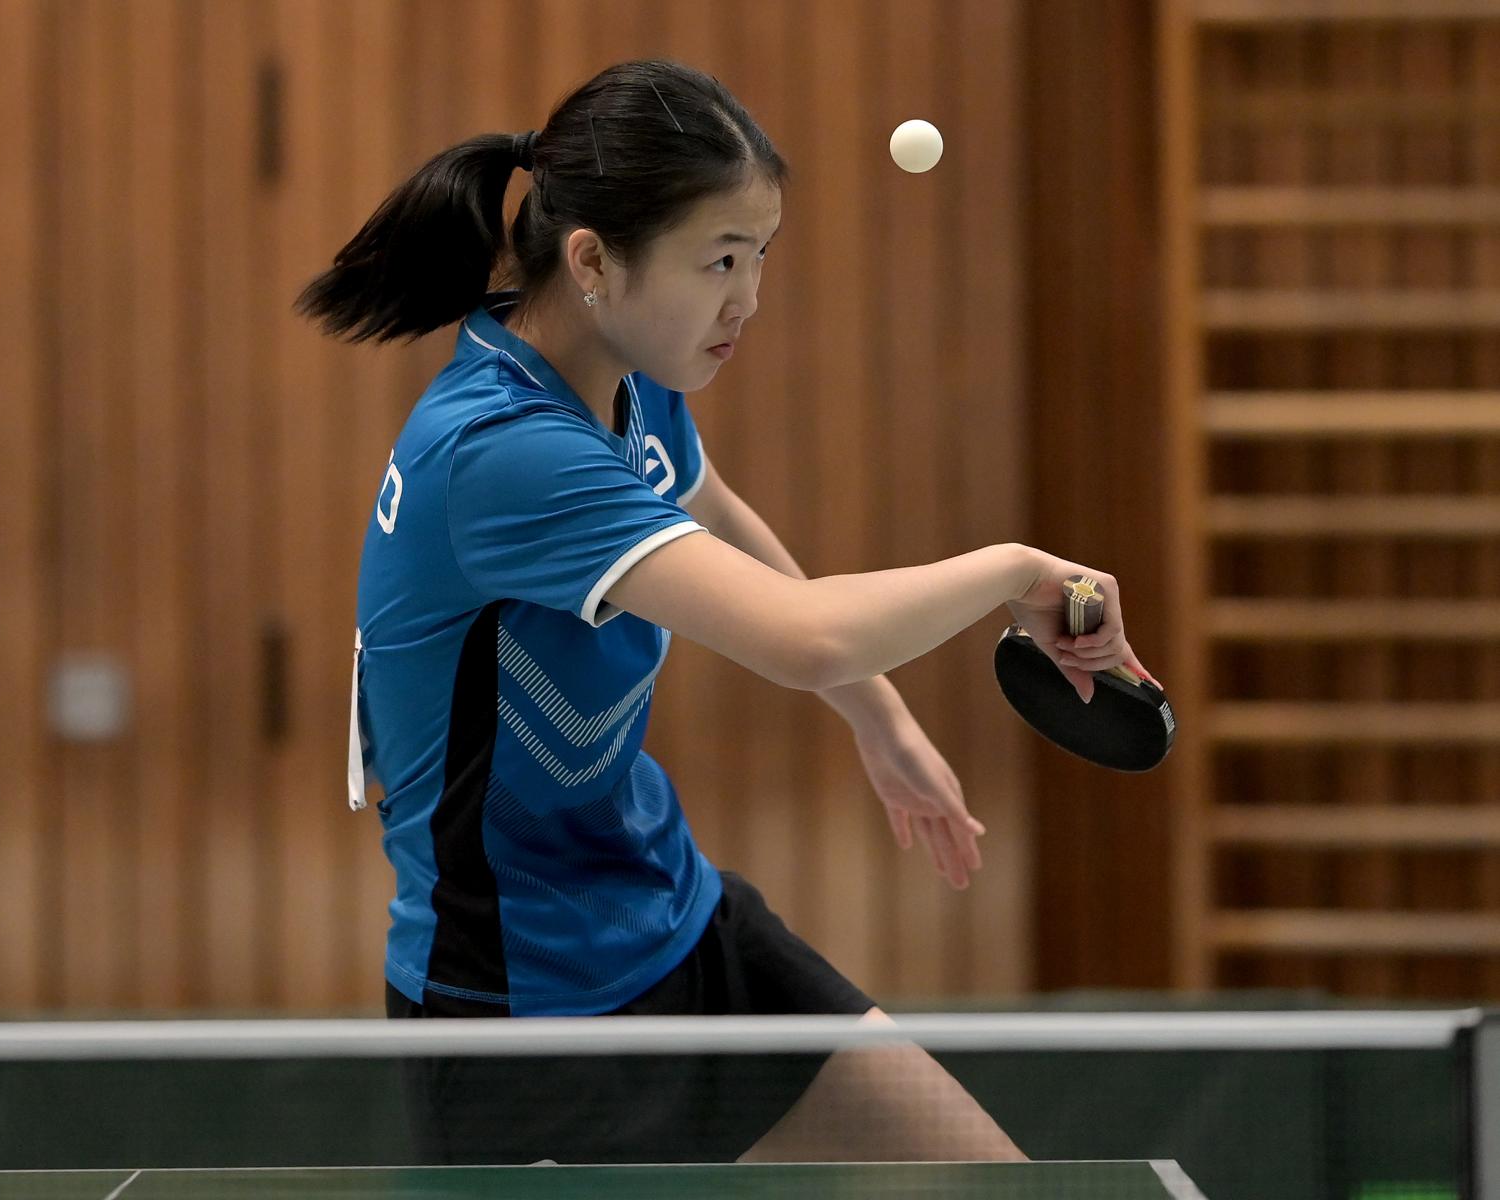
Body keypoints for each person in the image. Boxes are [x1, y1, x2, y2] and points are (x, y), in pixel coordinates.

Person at [298, 59, 1153, 1166]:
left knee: (987, 1183)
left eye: (759, 256)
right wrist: (1012, 569)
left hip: (682, 925)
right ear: (593, 261)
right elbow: (805, 636)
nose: (747, 298)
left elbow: (721, 518)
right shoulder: (502, 454)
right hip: (520, 1013)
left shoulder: (626, 376)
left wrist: (881, 722)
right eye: (719, 260)